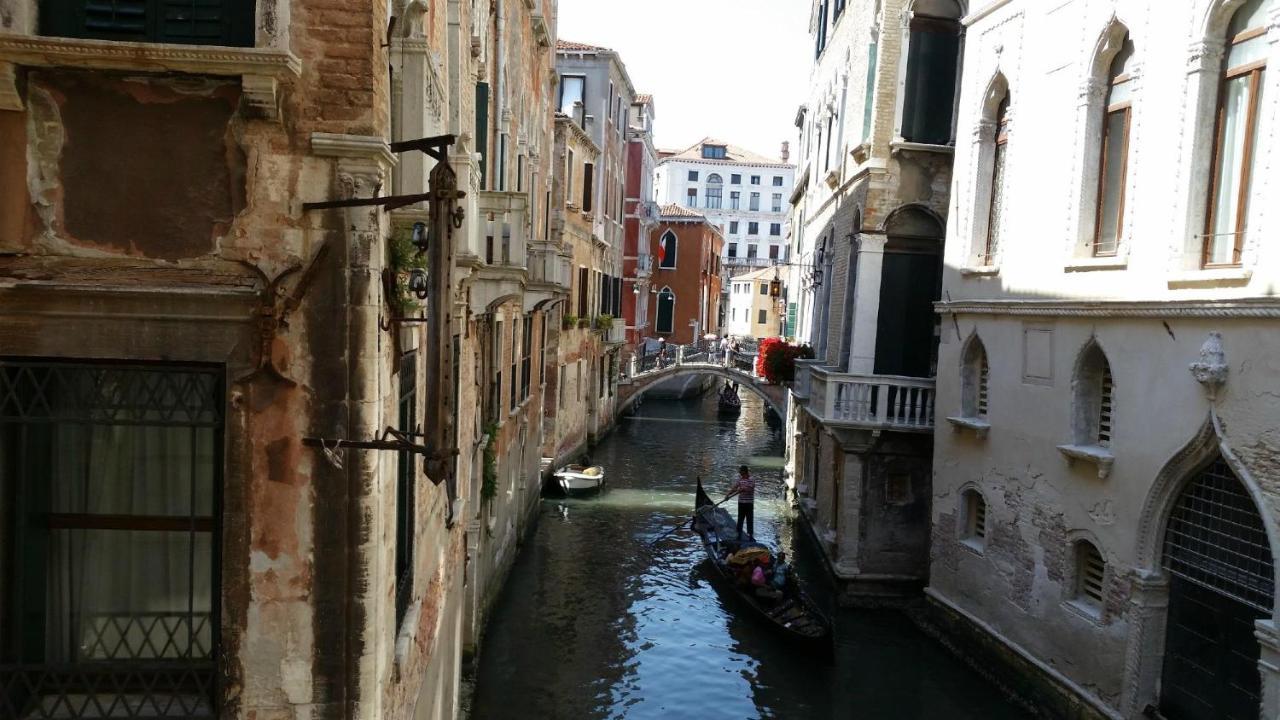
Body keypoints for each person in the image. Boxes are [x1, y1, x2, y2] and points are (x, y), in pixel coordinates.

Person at [724, 464, 755, 540]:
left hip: (749, 503)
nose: (739, 473)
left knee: (749, 519)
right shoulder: (740, 480)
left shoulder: (751, 479)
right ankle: (739, 534)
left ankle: (750, 535)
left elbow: (750, 488)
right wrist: (728, 494)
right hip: (741, 502)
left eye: (740, 471)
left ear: (744, 471)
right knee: (740, 518)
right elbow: (735, 488)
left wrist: (742, 489)